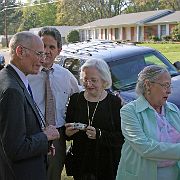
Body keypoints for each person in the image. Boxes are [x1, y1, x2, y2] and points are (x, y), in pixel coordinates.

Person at [0, 31, 60, 180]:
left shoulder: (10, 77)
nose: (43, 59)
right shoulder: (12, 90)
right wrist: (45, 137)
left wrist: (43, 145)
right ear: (20, 51)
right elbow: (15, 148)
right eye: (39, 53)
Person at [28, 27, 79, 180]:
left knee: (53, 175)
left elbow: (79, 102)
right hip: (33, 135)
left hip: (58, 136)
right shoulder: (27, 75)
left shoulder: (66, 76)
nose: (47, 51)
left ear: (59, 50)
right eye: (43, 46)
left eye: (52, 47)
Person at [116, 65, 180, 180]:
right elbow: (145, 148)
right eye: (165, 85)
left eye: (170, 85)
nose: (169, 91)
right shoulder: (130, 111)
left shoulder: (173, 109)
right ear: (148, 85)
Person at [65, 59, 124, 180]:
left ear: (104, 80)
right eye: (85, 79)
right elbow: (66, 130)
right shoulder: (76, 100)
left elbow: (121, 137)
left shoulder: (114, 103)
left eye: (93, 80)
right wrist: (67, 133)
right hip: (81, 162)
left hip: (107, 164)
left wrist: (99, 134)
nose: (88, 84)